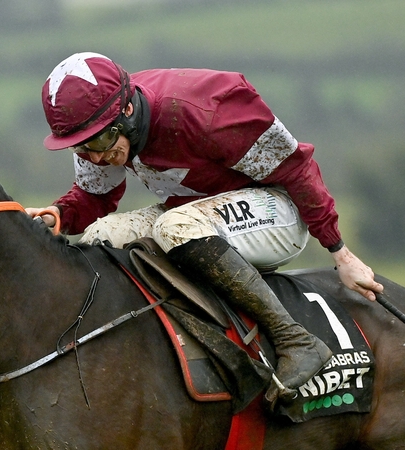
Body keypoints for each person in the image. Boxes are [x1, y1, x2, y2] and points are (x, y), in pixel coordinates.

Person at [25, 52, 384, 404]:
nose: (96, 156)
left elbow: (296, 168)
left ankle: (295, 339)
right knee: (101, 235)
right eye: (81, 148)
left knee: (174, 226)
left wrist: (341, 253)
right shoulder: (99, 131)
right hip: (197, 217)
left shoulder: (207, 108)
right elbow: (93, 197)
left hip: (277, 210)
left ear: (128, 110)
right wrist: (61, 215)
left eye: (101, 142)